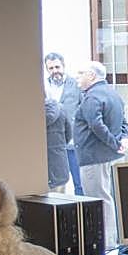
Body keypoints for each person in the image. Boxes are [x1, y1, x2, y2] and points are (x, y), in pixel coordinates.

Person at [74, 61, 128, 248]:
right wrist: (123, 140)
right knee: (110, 197)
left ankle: (107, 242)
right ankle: (116, 238)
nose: (77, 78)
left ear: (91, 75)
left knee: (99, 198)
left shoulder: (92, 97)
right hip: (111, 156)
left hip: (95, 156)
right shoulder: (113, 93)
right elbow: (124, 121)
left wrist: (115, 143)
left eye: (80, 73)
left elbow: (96, 125)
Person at [44, 52, 84, 194]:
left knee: (79, 182)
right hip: (55, 144)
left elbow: (83, 109)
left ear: (63, 66)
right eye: (51, 68)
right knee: (58, 183)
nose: (55, 71)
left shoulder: (76, 85)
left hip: (74, 142)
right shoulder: (43, 86)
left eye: (57, 67)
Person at [45, 96, 72, 192]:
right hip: (59, 165)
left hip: (42, 168)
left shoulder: (33, 113)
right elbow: (69, 134)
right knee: (60, 202)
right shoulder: (60, 108)